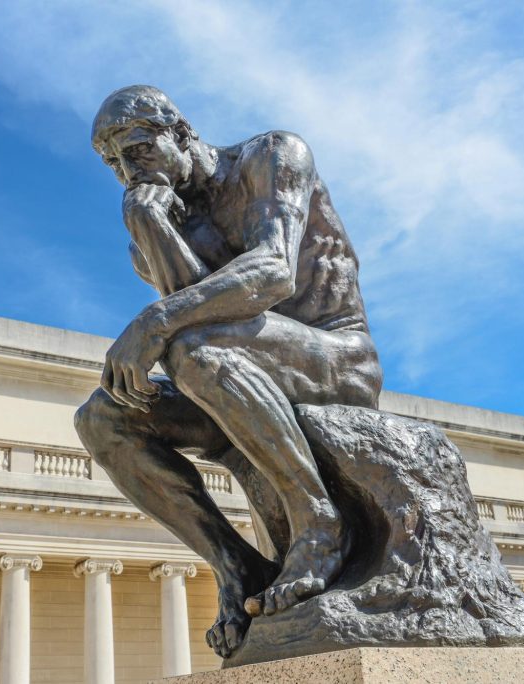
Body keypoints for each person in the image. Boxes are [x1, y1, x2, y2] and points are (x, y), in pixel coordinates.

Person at [75, 85, 382, 658]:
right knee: (103, 418)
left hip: (335, 358)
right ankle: (237, 566)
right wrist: (151, 227)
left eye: (137, 151)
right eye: (113, 164)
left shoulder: (270, 157)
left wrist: (154, 321)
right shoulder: (152, 220)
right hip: (232, 372)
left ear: (180, 132)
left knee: (190, 346)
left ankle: (320, 521)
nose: (126, 172)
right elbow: (194, 310)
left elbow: (271, 274)